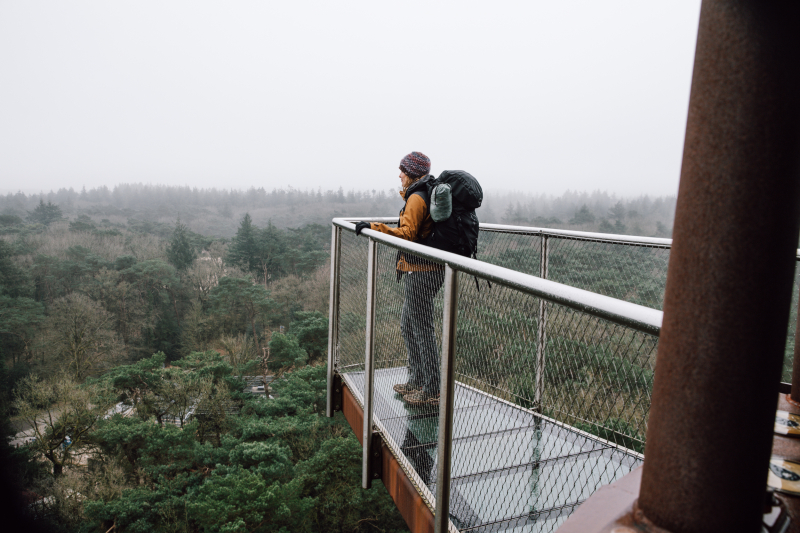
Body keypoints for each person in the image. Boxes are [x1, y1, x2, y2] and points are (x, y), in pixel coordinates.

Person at [355, 151, 443, 407]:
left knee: (422, 329)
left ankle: (432, 390)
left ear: (414, 173)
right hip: (424, 269)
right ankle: (417, 381)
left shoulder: (417, 197)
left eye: (403, 170)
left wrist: (374, 228)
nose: (400, 175)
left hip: (422, 270)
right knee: (409, 325)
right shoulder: (421, 193)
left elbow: (407, 234)